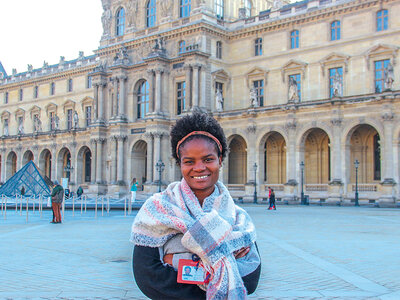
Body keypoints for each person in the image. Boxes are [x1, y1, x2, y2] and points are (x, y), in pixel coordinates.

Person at [131, 112, 261, 299]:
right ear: (180, 164)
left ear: (220, 160)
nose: (199, 167)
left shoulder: (239, 217)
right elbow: (148, 277)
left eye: (208, 159)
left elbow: (251, 278)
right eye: (189, 161)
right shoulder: (157, 209)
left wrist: (175, 260)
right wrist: (226, 260)